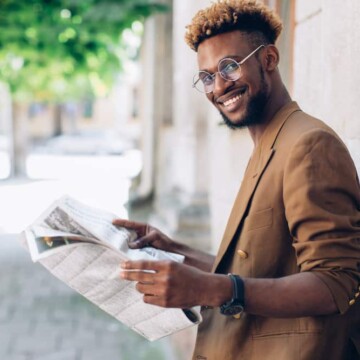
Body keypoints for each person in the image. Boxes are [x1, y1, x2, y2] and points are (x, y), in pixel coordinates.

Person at [113, 1, 360, 359]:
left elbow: (337, 282)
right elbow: (255, 267)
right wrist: (175, 251)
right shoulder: (269, 142)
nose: (219, 87)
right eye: (208, 76)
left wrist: (214, 290)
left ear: (269, 59)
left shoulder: (308, 145)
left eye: (230, 66)